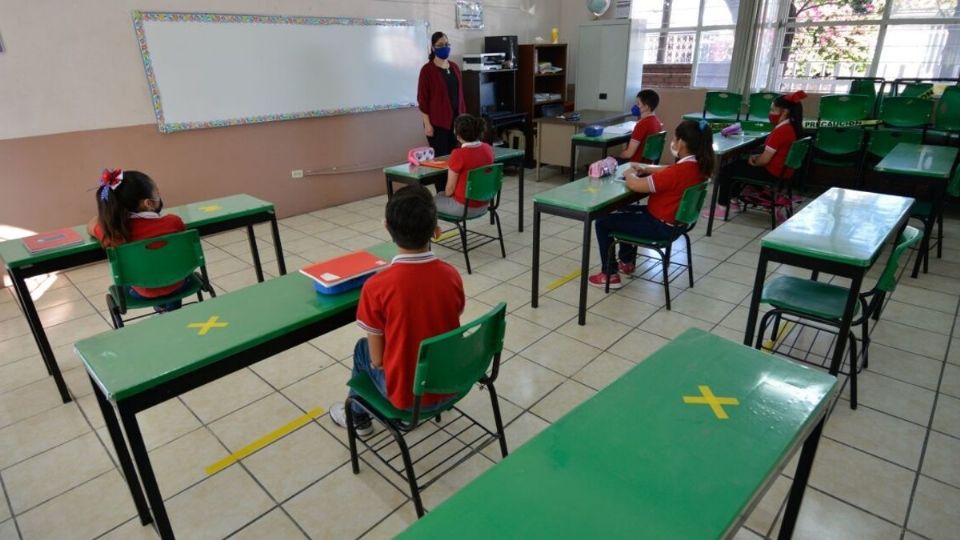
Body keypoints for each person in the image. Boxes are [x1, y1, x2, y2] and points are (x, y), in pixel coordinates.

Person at [330, 184, 465, 437]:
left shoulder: (376, 287)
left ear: (387, 228)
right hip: (450, 382)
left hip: (407, 396)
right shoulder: (451, 275)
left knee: (363, 349)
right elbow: (447, 322)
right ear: (436, 231)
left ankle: (359, 418)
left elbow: (378, 360)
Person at [589, 120, 716, 290]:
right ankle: (626, 262)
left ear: (682, 143)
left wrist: (629, 174)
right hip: (677, 224)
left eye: (675, 138)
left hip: (659, 225)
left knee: (603, 222)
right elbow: (669, 170)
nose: (673, 142)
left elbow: (636, 185)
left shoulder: (677, 173)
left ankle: (610, 275)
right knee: (621, 211)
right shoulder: (700, 167)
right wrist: (646, 168)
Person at [86, 169, 189, 312]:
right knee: (167, 269)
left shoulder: (113, 234)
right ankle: (170, 311)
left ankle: (164, 310)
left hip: (142, 292)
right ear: (149, 203)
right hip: (179, 284)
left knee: (139, 278)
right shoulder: (173, 222)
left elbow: (91, 226)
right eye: (157, 193)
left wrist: (109, 213)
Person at [711, 90, 807, 220]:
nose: (770, 114)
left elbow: (764, 160)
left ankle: (723, 207)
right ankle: (733, 201)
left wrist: (754, 161)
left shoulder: (782, 131)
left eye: (773, 110)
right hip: (785, 173)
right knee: (738, 165)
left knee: (727, 169)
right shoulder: (793, 128)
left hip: (772, 173)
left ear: (784, 112)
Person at [417, 31, 467, 192]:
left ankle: (452, 190)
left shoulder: (454, 67)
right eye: (440, 45)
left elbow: (460, 96)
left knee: (455, 159)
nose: (444, 48)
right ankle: (441, 192)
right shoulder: (427, 70)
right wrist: (427, 124)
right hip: (437, 124)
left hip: (456, 122)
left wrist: (462, 120)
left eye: (447, 44)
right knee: (440, 161)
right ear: (433, 48)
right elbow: (422, 100)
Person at [435, 114, 494, 219]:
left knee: (430, 201)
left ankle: (429, 232)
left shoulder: (458, 154)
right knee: (440, 195)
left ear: (457, 135)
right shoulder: (488, 149)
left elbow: (449, 190)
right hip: (484, 204)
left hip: (464, 208)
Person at [618, 89, 663, 164]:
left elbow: (629, 154)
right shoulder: (657, 122)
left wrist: (619, 155)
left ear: (646, 107)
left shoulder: (642, 124)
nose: (636, 106)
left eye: (638, 104)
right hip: (647, 164)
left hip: (633, 165)